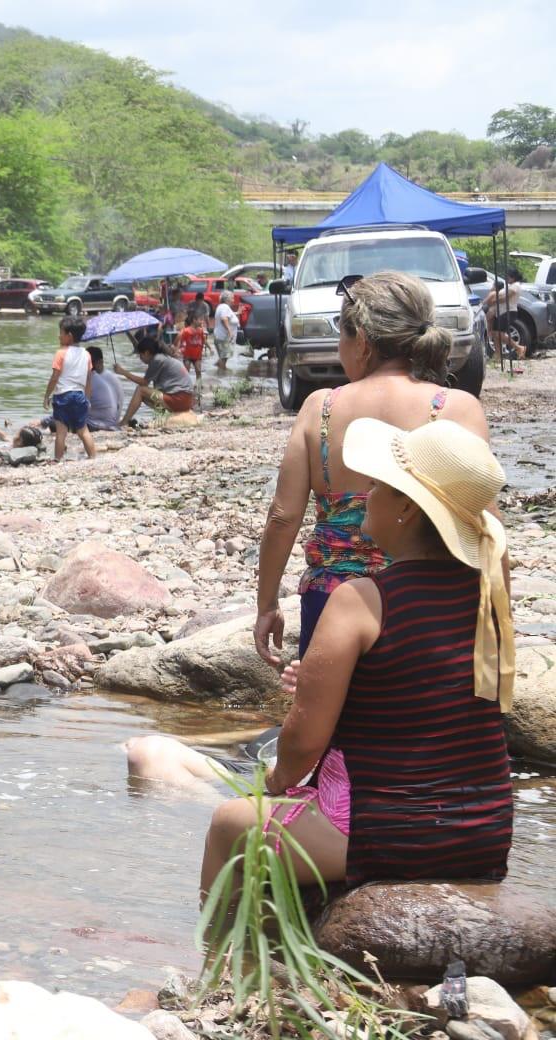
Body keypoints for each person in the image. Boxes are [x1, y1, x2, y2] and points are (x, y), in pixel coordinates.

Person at [183, 418, 514, 897]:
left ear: (406, 508)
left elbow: (301, 745)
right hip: (485, 836)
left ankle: (220, 960)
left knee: (227, 826)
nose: (365, 494)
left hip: (391, 837)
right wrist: (338, 687)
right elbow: (426, 693)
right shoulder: (489, 595)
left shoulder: (362, 599)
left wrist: (276, 784)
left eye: (378, 485)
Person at [253, 271, 490, 667]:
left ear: (361, 340)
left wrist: (267, 605)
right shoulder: (457, 407)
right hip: (428, 602)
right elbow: (481, 522)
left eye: (338, 332)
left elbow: (283, 517)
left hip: (331, 599)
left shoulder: (321, 408)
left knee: (329, 719)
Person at [42, 315, 97, 462]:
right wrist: (88, 399)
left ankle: (58, 460)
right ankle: (93, 458)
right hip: (79, 396)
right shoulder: (87, 354)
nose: (59, 336)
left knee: (61, 432)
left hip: (62, 397)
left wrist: (47, 395)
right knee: (83, 430)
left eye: (61, 332)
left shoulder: (60, 353)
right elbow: (88, 380)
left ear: (69, 336)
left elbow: (54, 377)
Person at [116, 336, 195, 426]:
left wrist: (123, 372)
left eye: (140, 355)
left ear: (147, 353)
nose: (140, 358)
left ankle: (124, 422)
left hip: (179, 399)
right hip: (186, 399)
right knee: (145, 397)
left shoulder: (157, 360)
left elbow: (144, 383)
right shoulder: (162, 358)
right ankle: (164, 417)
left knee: (140, 390)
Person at [484, 271, 524, 361]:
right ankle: (498, 355)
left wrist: (494, 300)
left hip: (508, 312)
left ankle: (518, 347)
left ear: (513, 278)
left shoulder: (515, 286)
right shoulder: (511, 286)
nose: (506, 279)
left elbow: (505, 298)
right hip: (502, 312)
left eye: (508, 277)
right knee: (495, 333)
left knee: (498, 333)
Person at [83, 345, 123, 431]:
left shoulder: (94, 378)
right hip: (112, 419)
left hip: (104, 421)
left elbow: (82, 405)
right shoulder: (99, 377)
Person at [177, 312, 207, 381]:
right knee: (186, 372)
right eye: (200, 320)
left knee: (198, 371)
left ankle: (199, 386)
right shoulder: (186, 331)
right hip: (187, 355)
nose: (202, 322)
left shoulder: (201, 330)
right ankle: (185, 386)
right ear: (194, 320)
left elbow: (203, 341)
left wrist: (208, 348)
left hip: (197, 355)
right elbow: (182, 342)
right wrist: (179, 350)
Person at [213, 293, 240, 368]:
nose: (233, 300)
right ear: (227, 299)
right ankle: (222, 375)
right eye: (232, 298)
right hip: (224, 338)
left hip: (221, 337)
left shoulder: (222, 307)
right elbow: (224, 318)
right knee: (223, 359)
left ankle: (216, 371)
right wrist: (230, 331)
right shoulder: (225, 307)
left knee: (223, 358)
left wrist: (237, 313)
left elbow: (228, 316)